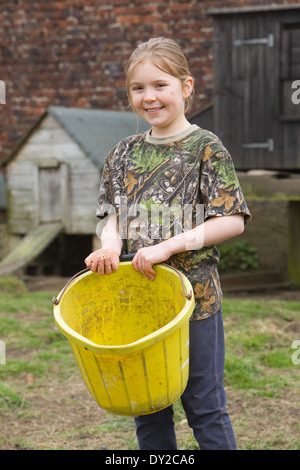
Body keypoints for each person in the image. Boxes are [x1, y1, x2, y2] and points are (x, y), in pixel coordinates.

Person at [85, 37, 251, 450]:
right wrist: (109, 245)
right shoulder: (122, 153)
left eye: (160, 85)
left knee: (204, 407)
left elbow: (231, 220)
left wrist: (168, 247)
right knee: (147, 406)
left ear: (186, 86)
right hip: (138, 302)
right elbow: (114, 218)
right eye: (138, 88)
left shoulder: (206, 148)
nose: (149, 97)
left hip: (195, 300)